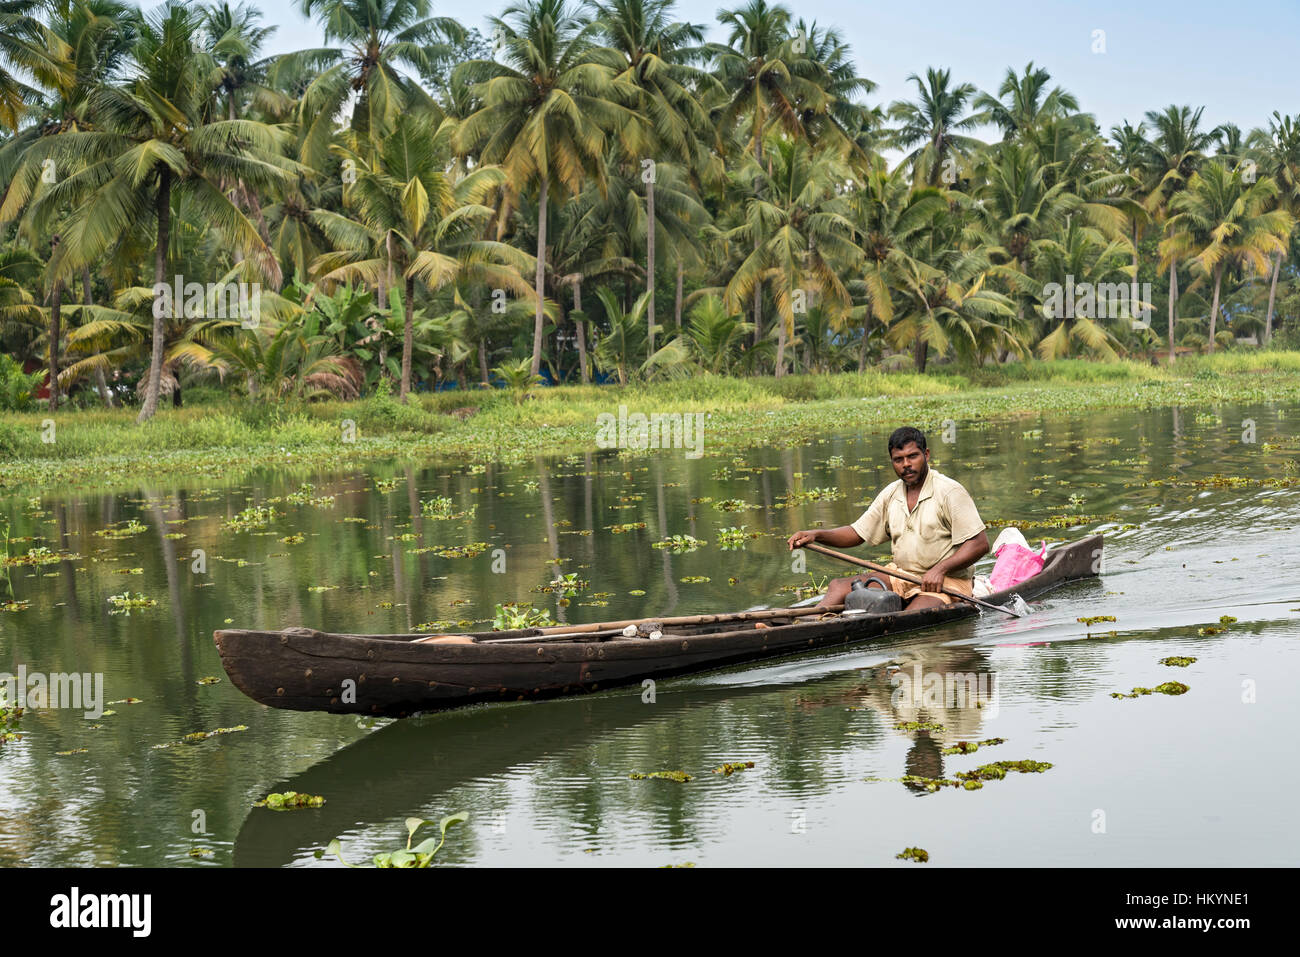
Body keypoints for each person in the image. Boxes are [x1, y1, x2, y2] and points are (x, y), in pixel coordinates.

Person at [786, 426, 989, 611]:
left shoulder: (949, 492)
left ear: (926, 455)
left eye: (913, 456)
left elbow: (979, 544)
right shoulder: (891, 494)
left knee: (913, 615)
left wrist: (940, 569)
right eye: (898, 460)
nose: (906, 465)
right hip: (902, 576)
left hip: (946, 581)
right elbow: (857, 533)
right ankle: (800, 624)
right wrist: (817, 534)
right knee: (839, 587)